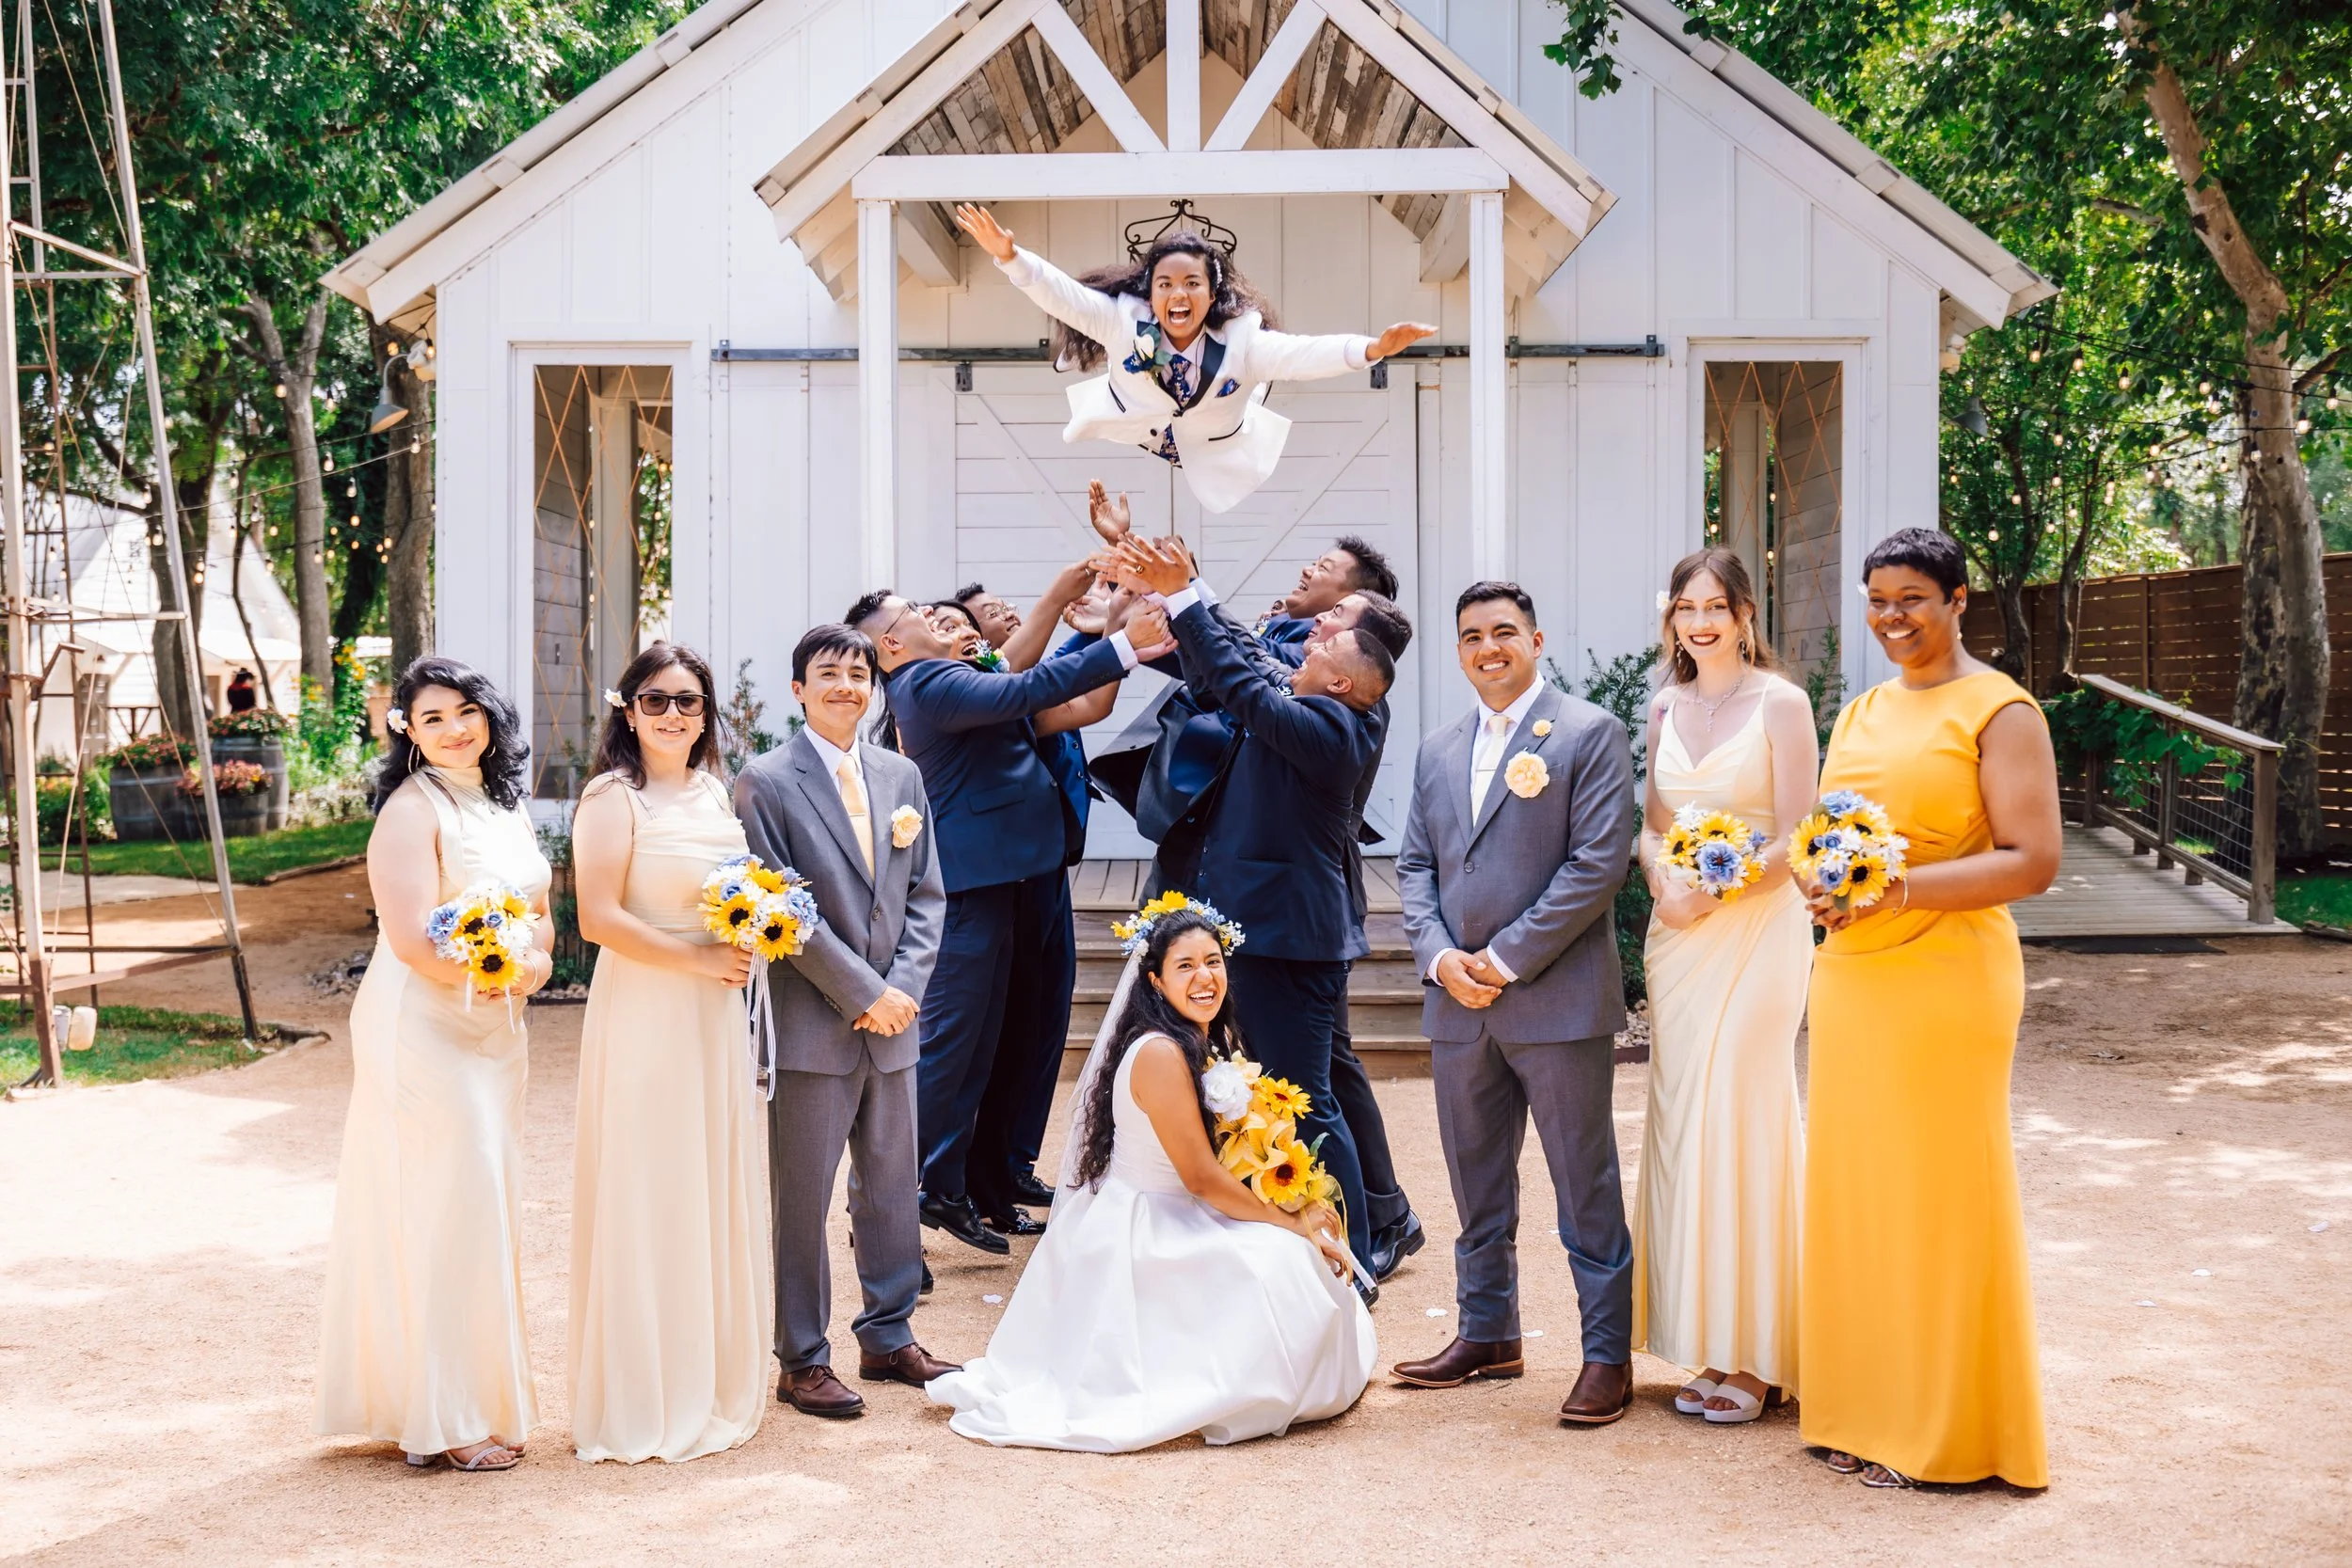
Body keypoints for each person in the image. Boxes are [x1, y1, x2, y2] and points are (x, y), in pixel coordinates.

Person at [1800, 528, 2059, 1489]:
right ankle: (1863, 1412)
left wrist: (1898, 890)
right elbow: (1831, 833)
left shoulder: (1999, 708)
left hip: (1948, 973)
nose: (1890, 617)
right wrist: (1821, 884)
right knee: (1860, 1192)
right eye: (1877, 599)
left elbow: (2031, 859)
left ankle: (1949, 1431)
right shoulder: (1861, 709)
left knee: (1941, 1195)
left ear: (1957, 600)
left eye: (1911, 597)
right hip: (1854, 972)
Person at [926, 906, 1375, 1450]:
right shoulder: (1160, 1053)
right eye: (1185, 966)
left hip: (1182, 1204)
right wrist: (1293, 1219)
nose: (1204, 977)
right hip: (1147, 1223)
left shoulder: (1194, 1038)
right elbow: (1202, 1179)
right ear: (1156, 980)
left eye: (1213, 961)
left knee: (1298, 1264)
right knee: (1280, 1263)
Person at [1100, 534, 1391, 1275]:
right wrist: (1182, 588)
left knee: (1311, 1104)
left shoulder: (1332, 727)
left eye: (1321, 649)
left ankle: (1353, 1263)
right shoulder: (1317, 698)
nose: (1302, 650)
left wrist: (1190, 594)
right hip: (1271, 930)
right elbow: (1242, 659)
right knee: (1298, 1094)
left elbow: (1243, 680)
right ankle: (1324, 1243)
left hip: (1288, 938)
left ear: (1342, 682)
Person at [1391, 582, 1639, 1426]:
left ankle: (1606, 1354)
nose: (1487, 647)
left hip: (1556, 1001)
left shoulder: (1588, 733)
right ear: (1458, 651)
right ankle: (1488, 1333)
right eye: (1471, 636)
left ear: (1536, 640)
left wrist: (1500, 958)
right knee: (1476, 1182)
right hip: (1458, 1004)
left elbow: (1598, 864)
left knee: (1585, 1183)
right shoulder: (1436, 748)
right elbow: (1415, 867)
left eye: (1504, 632)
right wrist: (1438, 957)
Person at [847, 589, 1143, 1252]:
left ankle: (951, 1183)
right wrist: (1115, 630)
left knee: (984, 1046)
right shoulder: (927, 684)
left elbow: (1053, 687)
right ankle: (893, 1206)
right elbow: (1032, 678)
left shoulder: (968, 679)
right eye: (922, 616)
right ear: (892, 642)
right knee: (948, 1045)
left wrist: (1117, 616)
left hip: (1014, 874)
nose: (936, 621)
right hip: (971, 882)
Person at [317, 657, 553, 1472]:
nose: (455, 730)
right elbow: (415, 939)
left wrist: (534, 965)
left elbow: (540, 914)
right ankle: (448, 1415)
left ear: (489, 716)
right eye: (433, 719)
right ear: (408, 734)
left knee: (485, 1203)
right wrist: (491, 972)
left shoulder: (504, 804)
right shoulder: (409, 812)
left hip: (496, 1027)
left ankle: (478, 1396)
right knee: (449, 1201)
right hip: (424, 1024)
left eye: (466, 713)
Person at [733, 624, 958, 1418]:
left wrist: (902, 988)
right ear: (798, 689)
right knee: (803, 1193)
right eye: (828, 673)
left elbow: (926, 893)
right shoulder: (763, 782)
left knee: (894, 1183)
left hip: (896, 1020)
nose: (846, 686)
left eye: (859, 673)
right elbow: (779, 909)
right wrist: (863, 990)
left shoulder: (902, 775)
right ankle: (802, 1356)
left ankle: (890, 1332)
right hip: (812, 1023)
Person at [566, 641, 770, 1463]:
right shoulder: (613, 797)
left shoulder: (717, 790)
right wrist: (695, 959)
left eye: (689, 701)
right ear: (628, 710)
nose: (675, 715)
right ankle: (645, 1389)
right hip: (650, 1006)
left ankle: (706, 1371)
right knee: (650, 1182)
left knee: (706, 1176)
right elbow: (596, 918)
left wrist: (755, 923)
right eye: (656, 700)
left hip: (716, 1013)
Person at [1631, 550, 1817, 1426]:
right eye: (1685, 607)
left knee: (1745, 1114)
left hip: (1757, 925)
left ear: (1746, 613)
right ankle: (1711, 1338)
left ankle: (1763, 1352)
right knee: (1685, 1122)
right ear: (1672, 618)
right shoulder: (1665, 704)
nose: (1699, 621)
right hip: (1680, 941)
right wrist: (1663, 887)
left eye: (1716, 606)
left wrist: (1713, 890)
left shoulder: (1782, 703)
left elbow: (1801, 834)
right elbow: (1652, 821)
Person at [954, 202, 1433, 514]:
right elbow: (1065, 297)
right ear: (1151, 291)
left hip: (1216, 436)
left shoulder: (1242, 341)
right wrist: (1011, 258)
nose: (1177, 294)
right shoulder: (1123, 322)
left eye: (1191, 285)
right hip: (1141, 423)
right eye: (1165, 285)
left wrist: (1370, 349)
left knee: (1261, 385)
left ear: (1211, 294)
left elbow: (1301, 354)